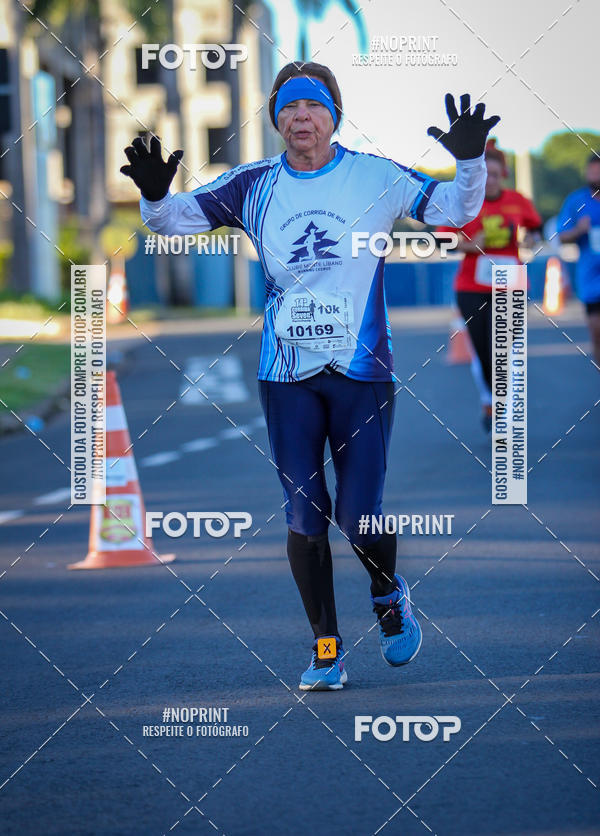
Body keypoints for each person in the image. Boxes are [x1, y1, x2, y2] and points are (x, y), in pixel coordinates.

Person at [121, 62, 499, 690]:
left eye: (314, 105)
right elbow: (170, 221)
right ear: (276, 120)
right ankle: (327, 650)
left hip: (362, 374)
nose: (301, 116)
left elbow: (455, 209)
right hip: (286, 376)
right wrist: (157, 196)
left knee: (359, 516)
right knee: (304, 514)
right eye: (289, 107)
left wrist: (470, 161)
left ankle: (388, 596)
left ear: (334, 116)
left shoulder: (375, 176)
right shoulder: (252, 185)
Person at [437, 139, 542, 431]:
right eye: (486, 175)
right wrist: (469, 245)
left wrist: (530, 239)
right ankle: (491, 399)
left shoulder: (518, 200)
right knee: (483, 351)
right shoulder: (465, 203)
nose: (490, 181)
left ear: (503, 175)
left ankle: (500, 407)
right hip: (472, 287)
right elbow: (442, 238)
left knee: (503, 349)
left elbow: (535, 228)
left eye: (495, 175)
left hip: (511, 284)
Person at [557, 153, 600, 367]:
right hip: (592, 280)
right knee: (597, 333)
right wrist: (578, 230)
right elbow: (561, 236)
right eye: (591, 171)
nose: (594, 175)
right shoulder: (577, 201)